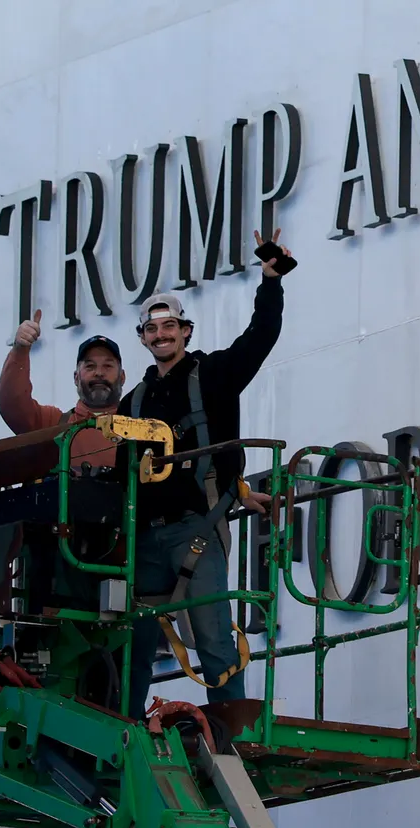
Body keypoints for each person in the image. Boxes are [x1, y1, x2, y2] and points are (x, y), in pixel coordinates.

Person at [117, 229, 293, 720]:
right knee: (134, 641)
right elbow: (121, 475)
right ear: (143, 338)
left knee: (214, 635)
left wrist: (271, 281)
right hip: (146, 538)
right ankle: (127, 727)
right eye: (152, 331)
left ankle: (230, 730)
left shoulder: (213, 375)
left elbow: (260, 338)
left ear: (185, 331)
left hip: (195, 529)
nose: (161, 336)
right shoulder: (133, 402)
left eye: (169, 327)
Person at [0, 308, 124, 469]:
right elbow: (11, 404)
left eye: (107, 366)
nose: (99, 373)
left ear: (122, 377)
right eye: (90, 366)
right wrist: (20, 349)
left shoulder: (141, 428)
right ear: (76, 378)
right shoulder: (53, 424)